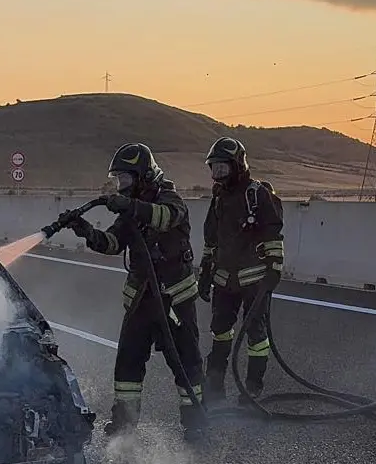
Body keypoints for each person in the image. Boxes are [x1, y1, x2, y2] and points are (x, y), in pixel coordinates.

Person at [59, 143, 204, 440]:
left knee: (185, 364)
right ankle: (124, 427)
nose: (121, 186)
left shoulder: (169, 199)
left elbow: (166, 217)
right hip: (141, 300)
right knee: (127, 366)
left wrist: (130, 206)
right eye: (118, 180)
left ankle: (196, 425)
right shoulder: (130, 211)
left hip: (174, 300)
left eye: (126, 179)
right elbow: (112, 243)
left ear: (144, 176)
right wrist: (85, 230)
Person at [197, 137, 284, 403]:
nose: (217, 174)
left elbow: (273, 231)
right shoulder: (218, 198)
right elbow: (211, 238)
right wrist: (204, 271)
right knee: (220, 330)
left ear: (237, 165)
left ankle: (252, 388)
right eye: (213, 168)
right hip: (224, 280)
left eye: (222, 168)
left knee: (256, 335)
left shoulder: (256, 194)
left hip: (255, 280)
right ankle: (214, 385)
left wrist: (274, 269)